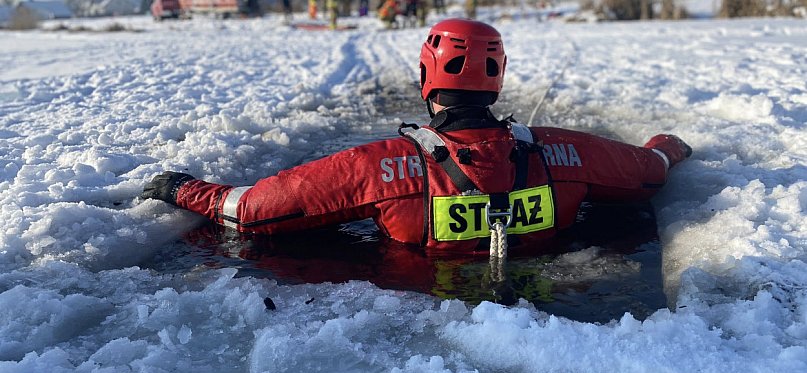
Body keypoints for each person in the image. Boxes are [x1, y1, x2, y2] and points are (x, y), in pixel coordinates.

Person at [142, 19, 691, 257]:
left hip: (426, 330)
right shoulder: (566, 153)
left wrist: (181, 187)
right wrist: (669, 142)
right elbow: (650, 171)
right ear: (495, 82)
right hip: (548, 308)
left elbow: (251, 210)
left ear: (427, 79)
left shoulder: (379, 166)